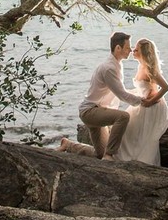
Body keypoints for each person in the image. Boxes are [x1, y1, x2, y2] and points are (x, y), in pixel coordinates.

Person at [62, 31, 159, 160]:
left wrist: (142, 94)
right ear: (118, 48)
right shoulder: (109, 68)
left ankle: (68, 145)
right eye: (127, 47)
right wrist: (143, 101)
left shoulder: (117, 65)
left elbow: (121, 90)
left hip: (99, 110)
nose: (130, 50)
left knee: (98, 154)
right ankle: (109, 155)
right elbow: (122, 95)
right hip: (91, 111)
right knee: (123, 117)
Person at [114, 38, 168, 165]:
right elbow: (142, 88)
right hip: (142, 102)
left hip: (152, 105)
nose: (133, 51)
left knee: (136, 131)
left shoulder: (150, 69)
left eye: (136, 49)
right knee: (126, 126)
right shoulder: (140, 66)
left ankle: (137, 159)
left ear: (143, 52)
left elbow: (166, 87)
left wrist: (151, 102)